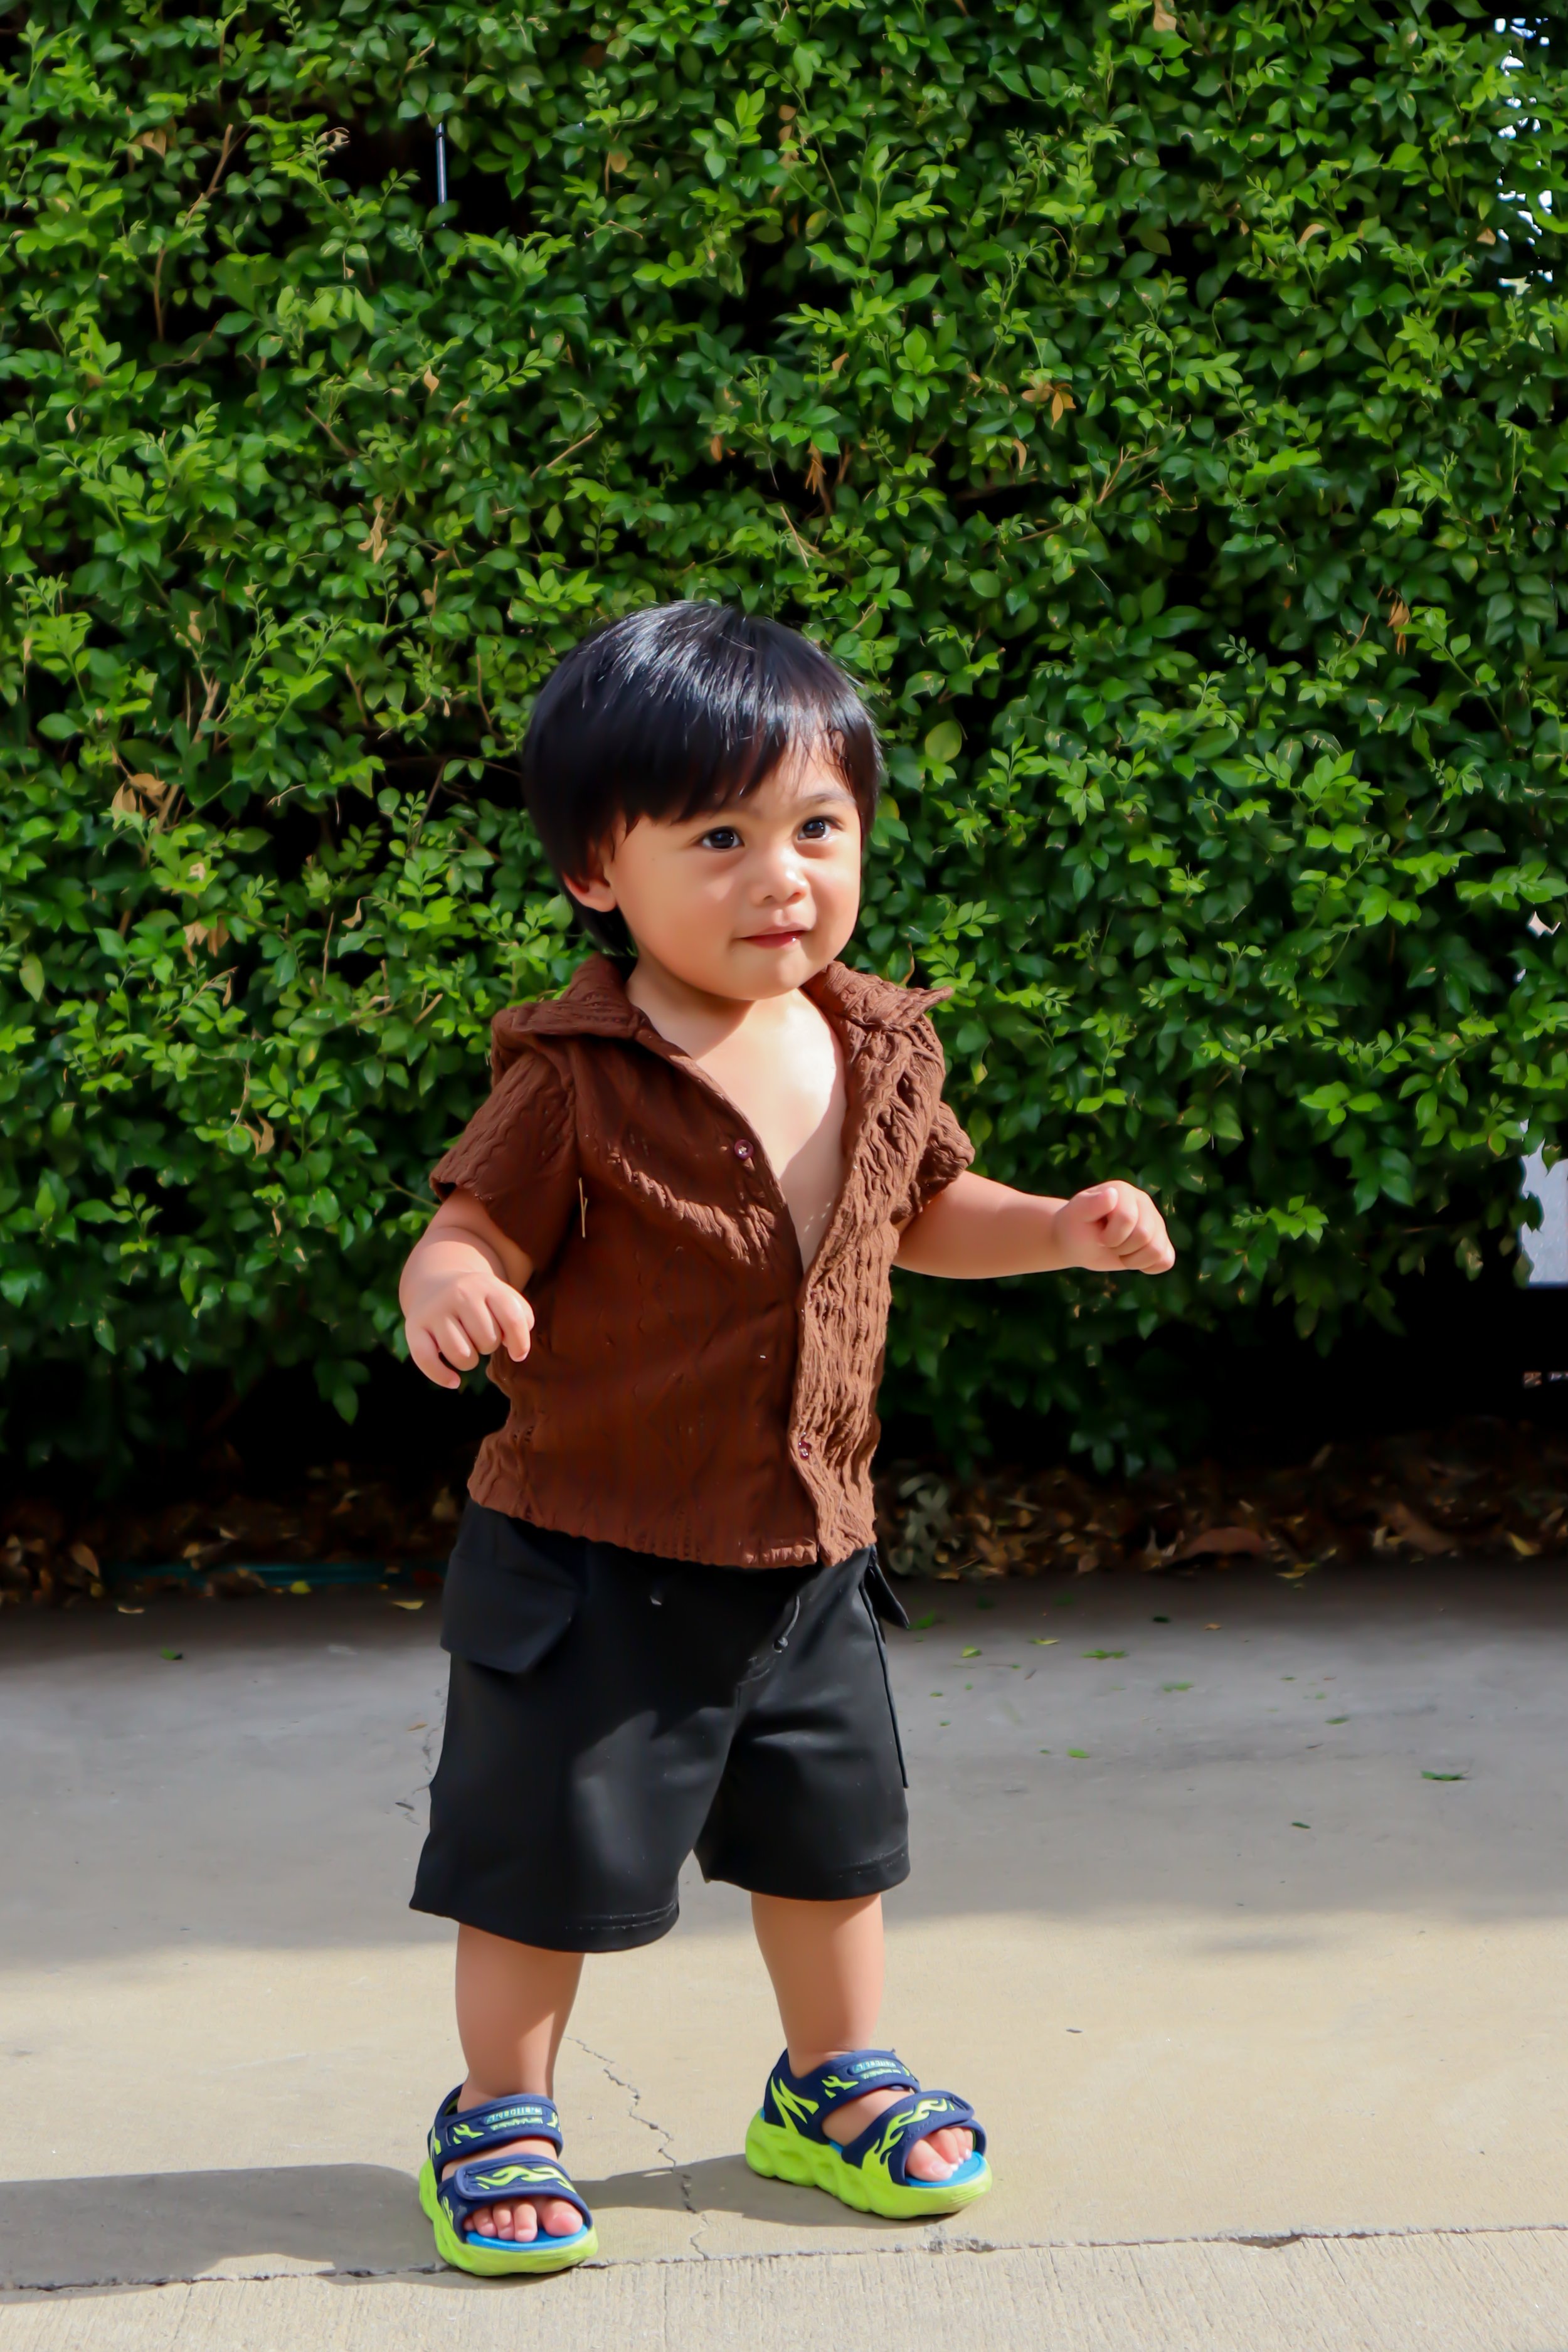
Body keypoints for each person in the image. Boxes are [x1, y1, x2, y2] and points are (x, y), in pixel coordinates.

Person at [398, 602, 1175, 2275]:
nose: (785, 878)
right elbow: (474, 1223)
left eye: (819, 828)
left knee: (836, 1845)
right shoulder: (574, 1075)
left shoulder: (876, 1043)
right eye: (721, 838)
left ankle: (825, 2081)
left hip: (808, 1547)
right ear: (598, 874)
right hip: (591, 1550)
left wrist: (1056, 1226)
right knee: (541, 1856)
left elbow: (922, 1209)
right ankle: (500, 2105)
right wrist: (453, 1286)